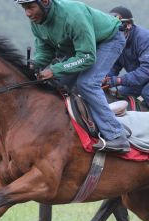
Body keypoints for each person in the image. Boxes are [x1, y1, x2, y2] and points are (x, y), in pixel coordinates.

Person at [15, 0, 130, 153]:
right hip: (79, 48)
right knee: (54, 84)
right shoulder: (37, 21)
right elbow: (45, 51)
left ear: (45, 2)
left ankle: (117, 136)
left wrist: (54, 70)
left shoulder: (72, 15)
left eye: (30, 7)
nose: (27, 13)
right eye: (24, 8)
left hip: (107, 41)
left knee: (87, 83)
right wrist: (32, 66)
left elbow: (88, 56)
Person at [105, 6, 149, 109]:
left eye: (118, 28)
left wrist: (120, 80)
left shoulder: (144, 39)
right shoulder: (119, 41)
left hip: (145, 77)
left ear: (128, 25)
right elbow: (114, 66)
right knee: (121, 94)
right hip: (140, 80)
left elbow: (146, 70)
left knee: (147, 93)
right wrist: (104, 78)